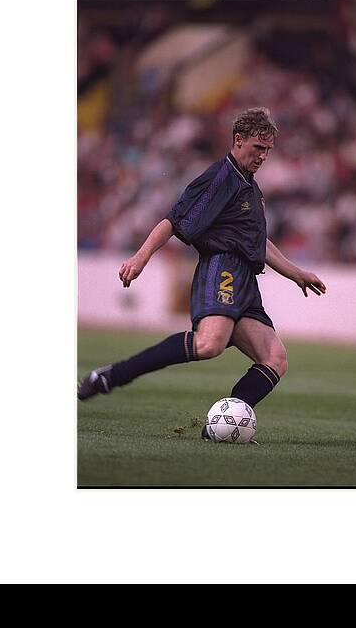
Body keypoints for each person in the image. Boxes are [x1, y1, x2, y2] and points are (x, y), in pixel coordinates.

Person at [77, 107, 327, 442]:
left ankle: (224, 425)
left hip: (246, 281)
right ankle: (112, 375)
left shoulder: (249, 187)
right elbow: (173, 221)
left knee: (275, 358)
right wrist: (140, 257)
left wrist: (296, 273)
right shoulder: (220, 178)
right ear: (238, 141)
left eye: (268, 150)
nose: (263, 156)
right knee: (209, 343)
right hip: (222, 267)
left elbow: (257, 241)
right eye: (257, 148)